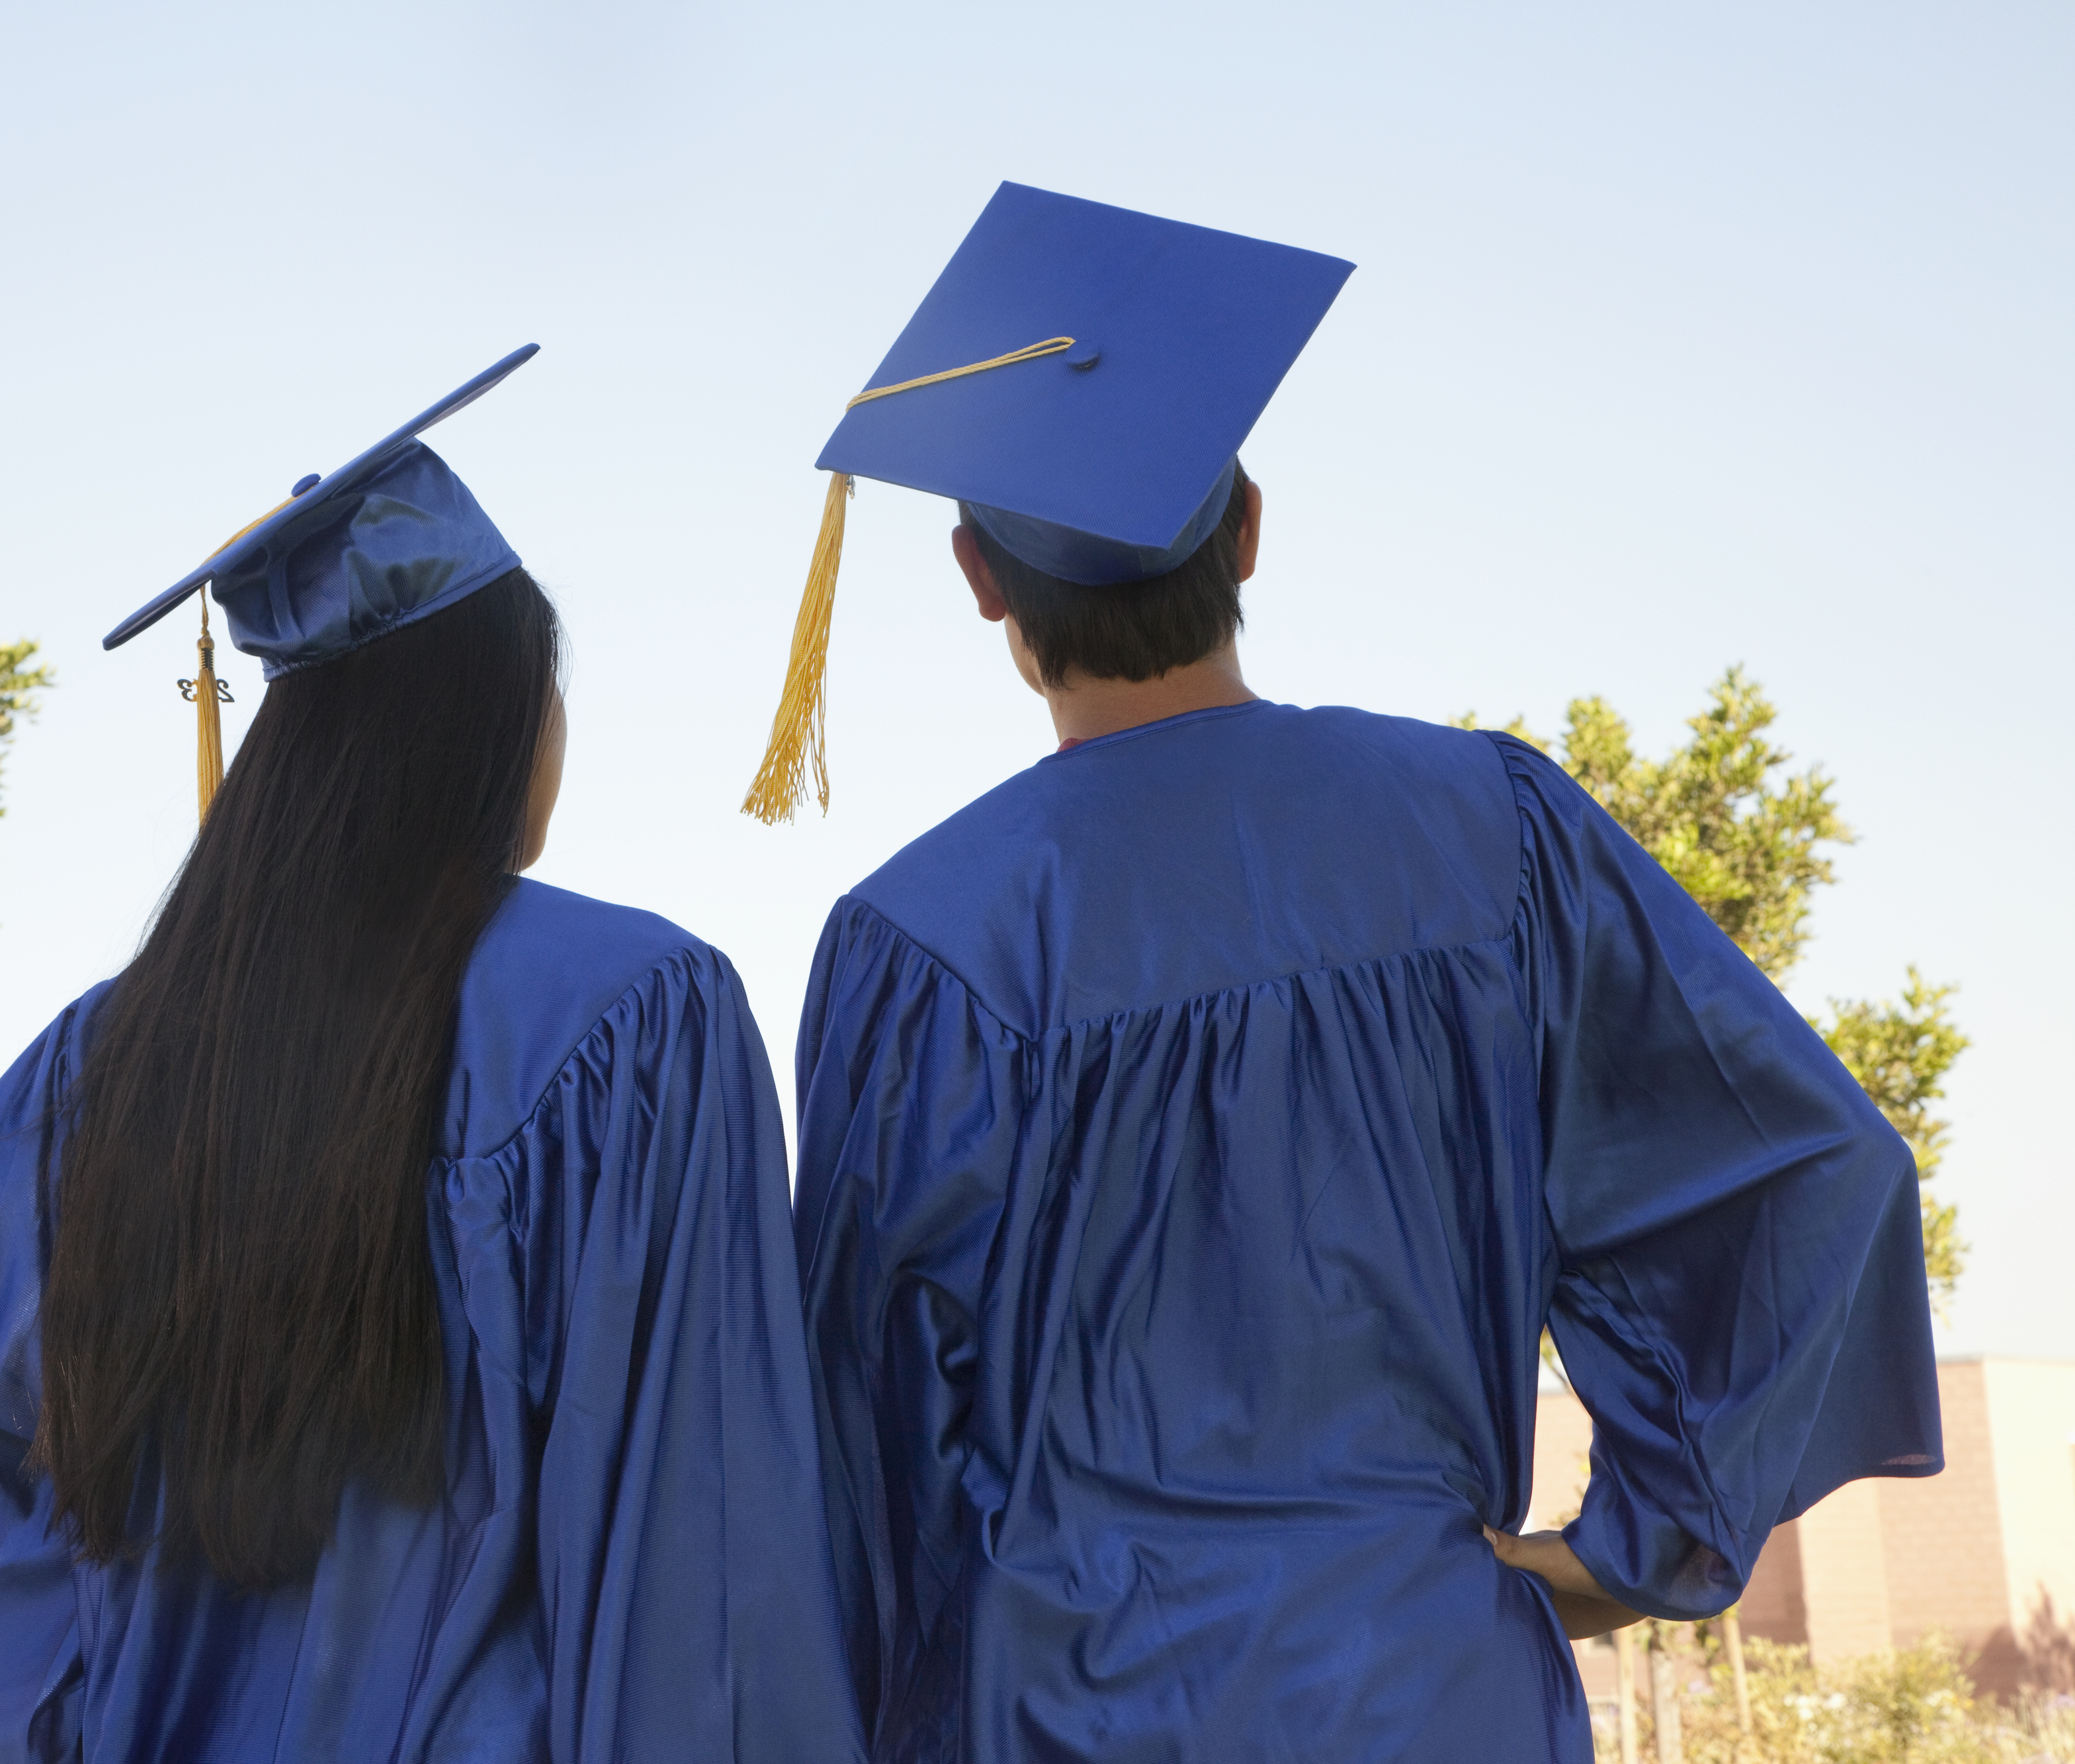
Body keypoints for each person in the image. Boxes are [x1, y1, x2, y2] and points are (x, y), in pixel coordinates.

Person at [755, 185, 1941, 1763]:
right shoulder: (1494, 834)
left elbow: (863, 1443)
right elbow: (1815, 1171)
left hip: (1066, 1712)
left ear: (980, 579)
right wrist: (1620, 1551)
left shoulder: (926, 941)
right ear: (1248, 529)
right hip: (1433, 1687)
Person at [0, 348, 861, 1763]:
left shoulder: (110, 1058)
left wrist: (62, 1715)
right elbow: (703, 1566)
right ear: (489, 725)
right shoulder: (631, 1022)